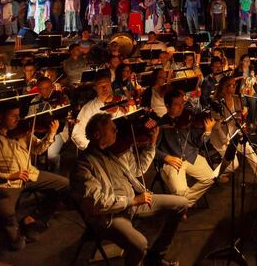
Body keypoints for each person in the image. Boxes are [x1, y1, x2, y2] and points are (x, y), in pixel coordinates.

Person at [71, 112, 186, 266]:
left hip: (133, 202)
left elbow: (138, 169)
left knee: (182, 203)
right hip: (109, 215)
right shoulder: (83, 165)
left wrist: (151, 143)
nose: (117, 131)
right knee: (140, 244)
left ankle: (155, 257)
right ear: (97, 135)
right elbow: (97, 203)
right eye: (112, 129)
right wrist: (133, 200)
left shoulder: (113, 152)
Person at [0, 102, 68, 250]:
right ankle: (9, 229)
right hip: (5, 185)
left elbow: (38, 149)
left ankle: (32, 219)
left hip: (29, 175)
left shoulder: (22, 133)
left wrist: (51, 134)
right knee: (17, 245)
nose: (18, 119)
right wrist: (9, 176)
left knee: (64, 185)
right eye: (13, 116)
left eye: (18, 116)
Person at [209, 76, 257, 190]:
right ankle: (214, 171)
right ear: (224, 87)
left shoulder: (236, 98)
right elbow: (217, 127)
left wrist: (243, 118)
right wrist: (226, 141)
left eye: (235, 85)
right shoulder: (217, 103)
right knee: (234, 164)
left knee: (249, 149)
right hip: (220, 137)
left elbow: (239, 118)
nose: (234, 87)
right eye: (231, 85)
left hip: (233, 133)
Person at [156, 89, 215, 208]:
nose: (181, 107)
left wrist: (207, 132)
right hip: (173, 161)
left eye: (182, 104)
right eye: (177, 104)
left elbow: (197, 143)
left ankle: (183, 205)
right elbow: (152, 150)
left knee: (211, 178)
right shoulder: (161, 124)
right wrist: (166, 157)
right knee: (180, 191)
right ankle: (182, 204)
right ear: (167, 106)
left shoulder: (188, 118)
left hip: (191, 156)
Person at [71, 73, 131, 150]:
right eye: (100, 86)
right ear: (95, 88)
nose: (104, 88)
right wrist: (96, 149)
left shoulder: (123, 100)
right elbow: (77, 135)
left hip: (124, 147)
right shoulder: (88, 108)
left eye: (106, 85)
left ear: (111, 85)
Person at [27, 76, 68, 172]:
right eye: (40, 89)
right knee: (28, 150)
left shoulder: (61, 98)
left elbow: (62, 119)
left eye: (46, 88)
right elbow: (30, 118)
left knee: (51, 155)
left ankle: (55, 174)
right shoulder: (35, 101)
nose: (43, 92)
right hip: (38, 132)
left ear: (52, 87)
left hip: (57, 132)